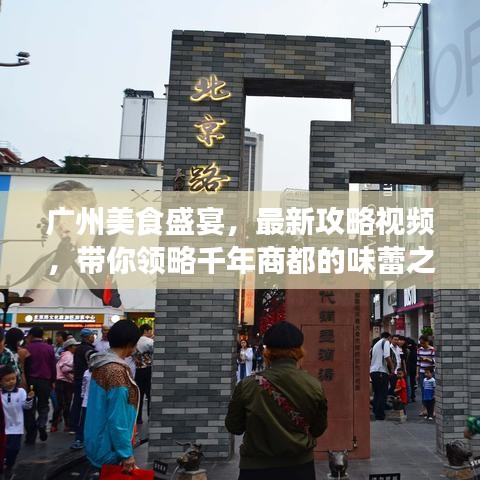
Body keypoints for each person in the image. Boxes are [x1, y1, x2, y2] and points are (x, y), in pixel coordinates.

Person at [225, 321, 328, 480]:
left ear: (267, 352)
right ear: (300, 352)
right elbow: (318, 429)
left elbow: (234, 426)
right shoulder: (314, 386)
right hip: (300, 468)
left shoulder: (247, 385)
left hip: (255, 469)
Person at [20, 180, 123, 310]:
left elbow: (127, 314)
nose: (61, 222)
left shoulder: (118, 256)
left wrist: (112, 296)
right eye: (55, 216)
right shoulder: (47, 260)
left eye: (69, 213)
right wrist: (55, 271)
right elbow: (24, 310)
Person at [84, 320, 141, 474]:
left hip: (97, 439)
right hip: (109, 447)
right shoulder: (116, 371)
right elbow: (117, 417)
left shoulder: (101, 364)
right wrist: (126, 453)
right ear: (130, 344)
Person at [24, 326, 56, 444]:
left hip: (30, 382)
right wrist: (53, 381)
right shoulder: (49, 348)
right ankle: (41, 423)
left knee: (30, 407)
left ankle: (30, 435)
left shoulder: (27, 348)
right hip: (45, 381)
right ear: (42, 336)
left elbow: (25, 366)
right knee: (43, 406)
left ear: (31, 335)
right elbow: (53, 366)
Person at [0, 365, 34, 474]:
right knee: (3, 448)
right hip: (4, 427)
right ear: (1, 382)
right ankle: (4, 463)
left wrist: (29, 398)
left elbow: (27, 406)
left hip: (16, 426)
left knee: (14, 448)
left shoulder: (21, 392)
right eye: (7, 380)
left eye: (13, 378)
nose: (11, 382)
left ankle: (9, 463)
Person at [70, 328, 96, 440]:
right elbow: (94, 364)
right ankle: (80, 429)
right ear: (88, 337)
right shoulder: (89, 350)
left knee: (77, 402)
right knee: (84, 404)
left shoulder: (78, 349)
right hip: (85, 380)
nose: (93, 337)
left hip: (78, 379)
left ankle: (73, 424)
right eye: (92, 335)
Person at [51, 337, 79, 433]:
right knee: (66, 404)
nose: (76, 347)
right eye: (75, 346)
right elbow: (65, 369)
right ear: (70, 347)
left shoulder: (65, 355)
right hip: (65, 382)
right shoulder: (68, 356)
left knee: (61, 404)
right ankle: (66, 425)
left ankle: (55, 425)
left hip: (60, 382)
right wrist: (72, 377)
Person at [370, 332, 395, 421]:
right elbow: (387, 356)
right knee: (382, 393)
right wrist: (392, 368)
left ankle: (376, 412)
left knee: (377, 393)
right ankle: (380, 415)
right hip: (381, 371)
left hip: (373, 371)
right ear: (389, 337)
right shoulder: (386, 342)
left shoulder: (376, 344)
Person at [133, 324, 153, 425]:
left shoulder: (135, 341)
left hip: (138, 370)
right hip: (148, 369)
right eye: (150, 331)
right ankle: (150, 416)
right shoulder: (149, 341)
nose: (151, 333)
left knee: (139, 395)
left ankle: (138, 418)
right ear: (146, 331)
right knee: (149, 394)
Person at [71, 367, 91, 450]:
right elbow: (84, 386)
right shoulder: (87, 372)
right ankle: (79, 439)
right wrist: (83, 395)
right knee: (83, 421)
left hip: (96, 402)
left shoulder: (102, 372)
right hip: (87, 402)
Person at [417, 335, 435, 416]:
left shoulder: (432, 350)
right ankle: (424, 409)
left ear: (427, 342)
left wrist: (427, 359)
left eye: (423, 343)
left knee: (431, 391)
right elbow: (418, 363)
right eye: (421, 343)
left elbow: (435, 361)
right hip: (422, 372)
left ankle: (432, 410)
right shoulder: (419, 350)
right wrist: (417, 374)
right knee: (423, 391)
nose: (422, 345)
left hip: (431, 373)